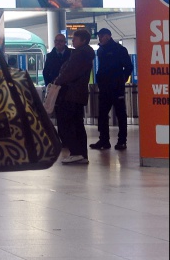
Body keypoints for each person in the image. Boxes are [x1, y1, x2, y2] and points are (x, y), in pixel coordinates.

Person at [53, 29, 96, 165]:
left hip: (71, 94)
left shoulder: (80, 54)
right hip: (78, 94)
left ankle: (76, 152)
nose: (72, 41)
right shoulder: (84, 53)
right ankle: (81, 154)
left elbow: (70, 72)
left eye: (75, 39)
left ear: (83, 40)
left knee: (68, 124)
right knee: (77, 124)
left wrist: (58, 80)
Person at [92, 28, 134, 151]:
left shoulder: (119, 50)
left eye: (102, 36)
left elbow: (128, 67)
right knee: (102, 115)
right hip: (104, 88)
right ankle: (104, 140)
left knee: (121, 114)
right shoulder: (100, 50)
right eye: (99, 36)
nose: (100, 38)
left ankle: (122, 141)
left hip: (117, 88)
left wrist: (121, 80)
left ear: (109, 36)